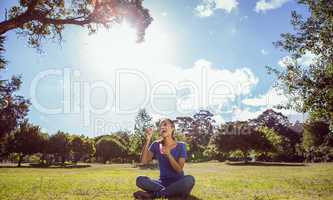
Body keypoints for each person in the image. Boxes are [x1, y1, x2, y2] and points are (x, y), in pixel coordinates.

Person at [133, 118, 195, 199]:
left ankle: (154, 195)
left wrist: (169, 154)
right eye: (160, 126)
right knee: (140, 180)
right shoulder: (156, 144)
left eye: (165, 124)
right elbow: (143, 161)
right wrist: (148, 140)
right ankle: (171, 192)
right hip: (161, 183)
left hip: (178, 181)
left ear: (172, 128)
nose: (162, 127)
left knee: (189, 179)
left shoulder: (181, 145)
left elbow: (179, 170)